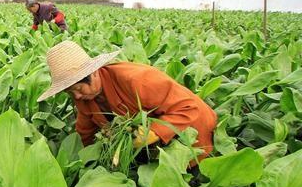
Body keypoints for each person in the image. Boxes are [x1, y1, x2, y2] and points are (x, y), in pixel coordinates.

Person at [37, 41, 217, 161]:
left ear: (92, 73)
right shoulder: (84, 98)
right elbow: (85, 131)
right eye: (70, 92)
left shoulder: (137, 79)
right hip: (150, 150)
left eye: (77, 88)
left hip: (192, 135)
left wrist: (153, 132)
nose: (76, 96)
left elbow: (187, 108)